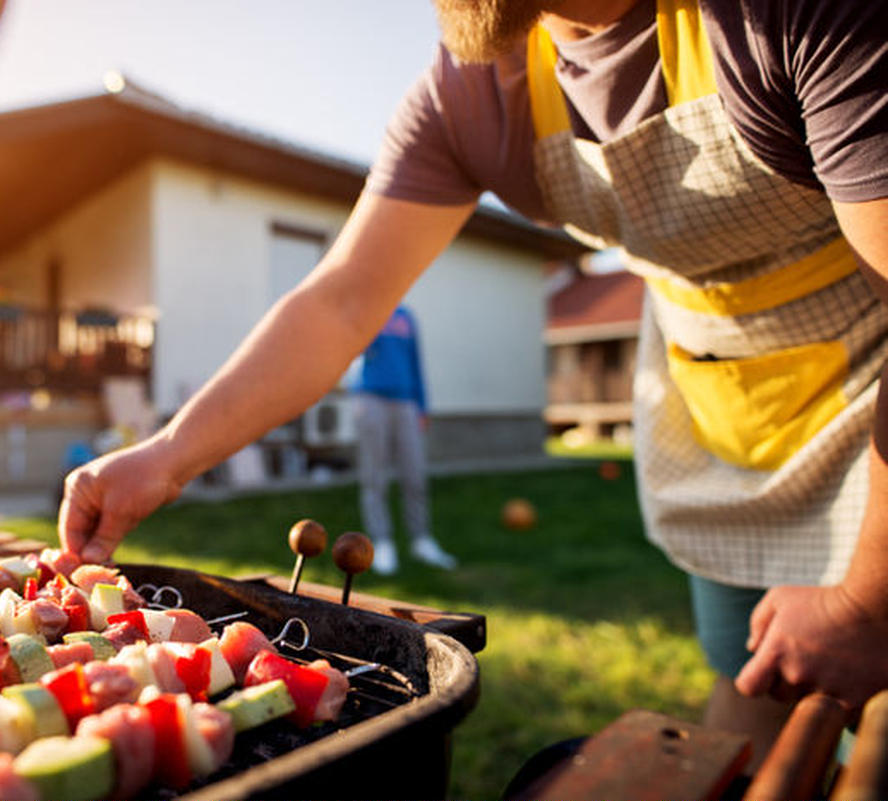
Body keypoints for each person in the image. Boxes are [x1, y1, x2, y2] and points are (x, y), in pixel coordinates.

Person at [58, 0, 888, 769]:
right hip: (727, 411)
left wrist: (864, 599)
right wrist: (166, 455)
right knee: (757, 681)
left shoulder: (791, 14)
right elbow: (342, 303)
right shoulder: (471, 92)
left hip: (872, 377)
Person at [351, 305, 455, 574]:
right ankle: (382, 543)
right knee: (374, 476)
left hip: (406, 402)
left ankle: (421, 539)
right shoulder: (365, 308)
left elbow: (415, 362)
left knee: (415, 474)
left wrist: (422, 405)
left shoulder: (406, 317)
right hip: (370, 399)